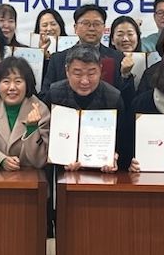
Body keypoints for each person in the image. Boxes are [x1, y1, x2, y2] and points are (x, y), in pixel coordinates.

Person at [43, 44, 124, 172]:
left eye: (91, 73)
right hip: (60, 169)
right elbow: (45, 135)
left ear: (100, 70)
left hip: (100, 170)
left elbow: (122, 140)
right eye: (78, 74)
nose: (85, 81)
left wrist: (114, 157)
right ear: (67, 71)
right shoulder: (54, 94)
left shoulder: (113, 97)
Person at [41, 4, 134, 98]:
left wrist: (125, 75)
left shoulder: (117, 58)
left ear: (104, 28)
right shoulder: (58, 59)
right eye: (86, 23)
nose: (91, 28)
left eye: (97, 24)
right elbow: (45, 95)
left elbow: (126, 99)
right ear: (75, 28)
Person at [0, 57, 50, 170]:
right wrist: (1, 159)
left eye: (18, 81)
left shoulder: (40, 109)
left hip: (30, 174)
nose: (12, 87)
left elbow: (40, 160)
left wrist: (32, 128)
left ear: (27, 84)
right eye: (6, 81)